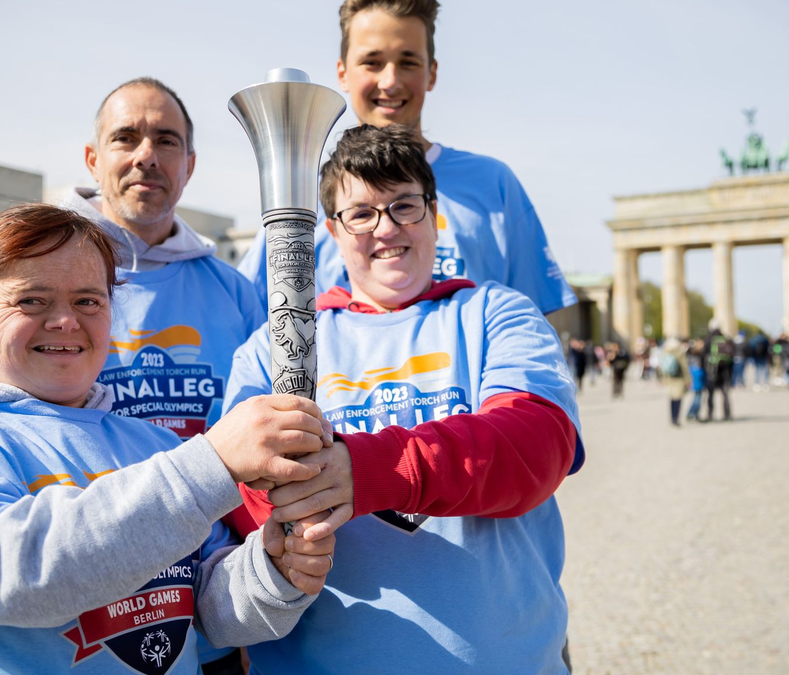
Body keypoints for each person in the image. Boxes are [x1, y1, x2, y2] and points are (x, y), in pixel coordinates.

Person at [0, 204, 336, 675]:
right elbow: (17, 577)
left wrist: (268, 574)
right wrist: (214, 465)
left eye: (88, 300)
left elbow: (203, 612)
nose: (66, 320)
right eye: (31, 299)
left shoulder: (154, 445)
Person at [225, 124, 583, 674]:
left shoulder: (498, 314)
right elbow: (240, 497)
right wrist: (276, 505)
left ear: (434, 214)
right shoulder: (271, 349)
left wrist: (358, 471)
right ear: (332, 232)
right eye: (361, 213)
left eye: (404, 205)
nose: (385, 227)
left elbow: (534, 449)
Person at [0, 79, 267, 671]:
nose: (146, 154)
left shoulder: (235, 291)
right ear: (92, 158)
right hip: (63, 569)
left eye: (166, 139)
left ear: (190, 165)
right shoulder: (35, 269)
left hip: (204, 577)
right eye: (125, 136)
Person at [237, 0, 577, 319]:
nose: (390, 81)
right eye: (372, 62)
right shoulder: (301, 197)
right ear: (342, 72)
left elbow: (532, 326)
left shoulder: (493, 184)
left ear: (432, 72)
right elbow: (250, 312)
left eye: (408, 62)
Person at [703, 321, 733, 422]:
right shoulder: (726, 339)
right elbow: (731, 356)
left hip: (712, 370)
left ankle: (710, 414)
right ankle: (727, 414)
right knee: (725, 393)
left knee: (710, 394)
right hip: (725, 370)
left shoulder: (708, 339)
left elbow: (704, 355)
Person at [660, 338, 690, 425]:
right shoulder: (679, 352)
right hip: (678, 378)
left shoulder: (665, 352)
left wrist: (663, 379)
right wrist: (688, 379)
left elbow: (662, 367)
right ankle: (676, 418)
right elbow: (684, 367)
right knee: (678, 398)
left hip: (669, 379)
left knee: (672, 398)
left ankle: (672, 417)